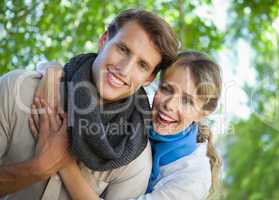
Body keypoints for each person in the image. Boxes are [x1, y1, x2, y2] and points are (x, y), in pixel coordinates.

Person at [0, 9, 178, 200]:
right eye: (123, 49)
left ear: (149, 78)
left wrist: (62, 165)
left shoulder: (134, 159)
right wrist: (38, 168)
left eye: (142, 65)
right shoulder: (20, 91)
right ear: (104, 41)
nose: (124, 70)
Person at [30, 51, 222, 200]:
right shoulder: (136, 113)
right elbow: (79, 76)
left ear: (203, 112)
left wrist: (61, 161)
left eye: (187, 101)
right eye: (166, 89)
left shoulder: (192, 178)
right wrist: (53, 72)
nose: (169, 105)